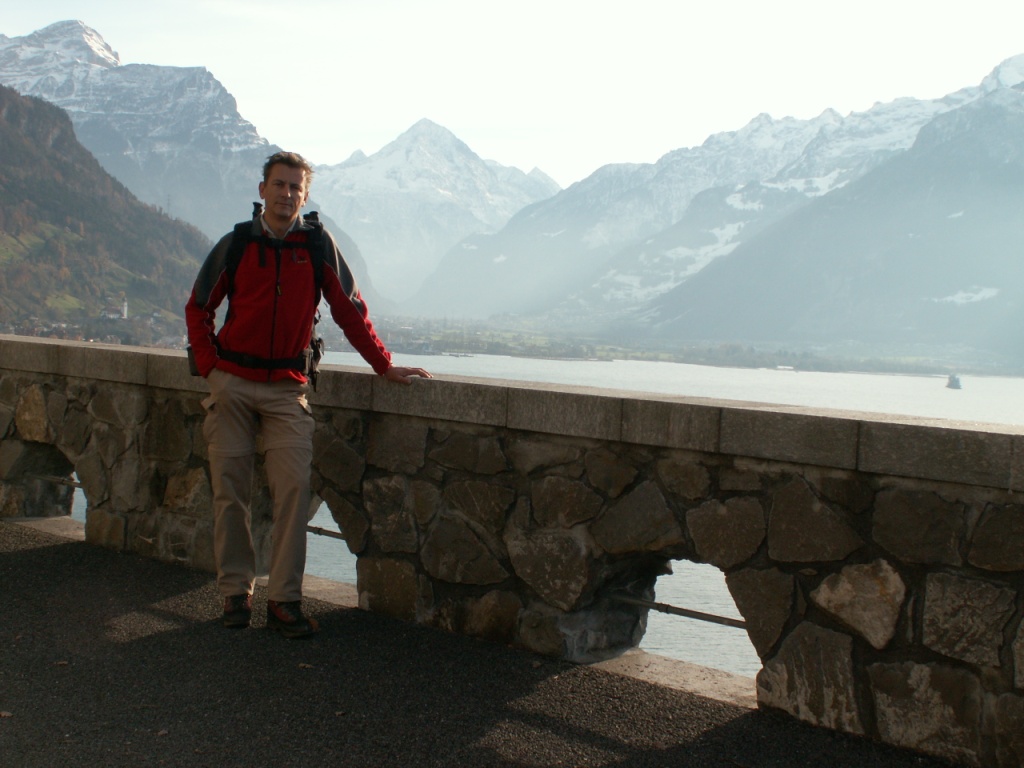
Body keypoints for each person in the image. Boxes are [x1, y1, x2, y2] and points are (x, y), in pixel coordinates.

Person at [185, 151, 431, 638]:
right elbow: (198, 307)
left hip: (286, 389)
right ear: (263, 190)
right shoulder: (237, 243)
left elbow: (350, 309)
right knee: (230, 491)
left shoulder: (317, 246)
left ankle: (284, 600)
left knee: (295, 491)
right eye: (279, 185)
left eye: (295, 187)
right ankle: (235, 592)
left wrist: (383, 365)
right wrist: (211, 368)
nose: (286, 194)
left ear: (305, 195)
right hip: (232, 383)